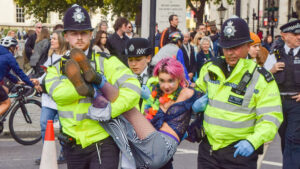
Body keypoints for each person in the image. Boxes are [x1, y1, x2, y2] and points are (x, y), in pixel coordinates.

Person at [44, 4, 140, 168]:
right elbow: (57, 94)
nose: (79, 38)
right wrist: (85, 90)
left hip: (102, 142)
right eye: (74, 33)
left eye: (83, 33)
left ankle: (92, 83)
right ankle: (91, 86)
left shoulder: (106, 61)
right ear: (66, 36)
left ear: (90, 34)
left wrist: (110, 110)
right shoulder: (55, 68)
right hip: (73, 145)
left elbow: (133, 88)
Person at [195, 16, 283, 169]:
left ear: (247, 46)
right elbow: (194, 94)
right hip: (208, 151)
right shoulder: (209, 68)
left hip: (239, 153)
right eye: (226, 47)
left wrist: (252, 141)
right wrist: (192, 104)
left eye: (235, 47)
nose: (230, 52)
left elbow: (271, 117)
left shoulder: (261, 78)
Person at [263, 18, 300, 169]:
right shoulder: (274, 53)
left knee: (294, 139)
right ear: (284, 35)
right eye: (295, 34)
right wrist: (271, 71)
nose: (299, 37)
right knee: (285, 138)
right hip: (278, 103)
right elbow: (261, 78)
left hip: (297, 103)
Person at [33, 30, 68, 165]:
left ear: (61, 41)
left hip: (61, 99)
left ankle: (64, 153)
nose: (51, 41)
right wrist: (38, 81)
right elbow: (47, 74)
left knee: (65, 128)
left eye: (54, 39)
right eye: (51, 38)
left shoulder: (68, 57)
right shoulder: (51, 56)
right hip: (48, 99)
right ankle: (47, 153)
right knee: (44, 124)